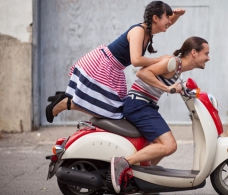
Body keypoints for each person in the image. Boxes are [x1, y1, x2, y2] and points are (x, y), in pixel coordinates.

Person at [45, 1, 185, 123]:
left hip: (113, 68)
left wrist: (176, 15)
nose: (169, 21)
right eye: (167, 17)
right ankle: (65, 103)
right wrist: (160, 59)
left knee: (115, 110)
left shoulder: (148, 33)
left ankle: (65, 98)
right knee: (111, 111)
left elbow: (166, 24)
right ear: (155, 18)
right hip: (101, 65)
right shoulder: (139, 31)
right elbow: (136, 61)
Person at [110, 36, 210, 193]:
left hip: (146, 106)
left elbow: (170, 84)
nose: (208, 58)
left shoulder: (178, 70)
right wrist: (167, 88)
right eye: (206, 53)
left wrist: (184, 90)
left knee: (161, 147)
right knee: (169, 145)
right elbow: (142, 73)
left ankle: (143, 180)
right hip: (138, 105)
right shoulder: (173, 63)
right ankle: (123, 163)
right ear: (194, 53)